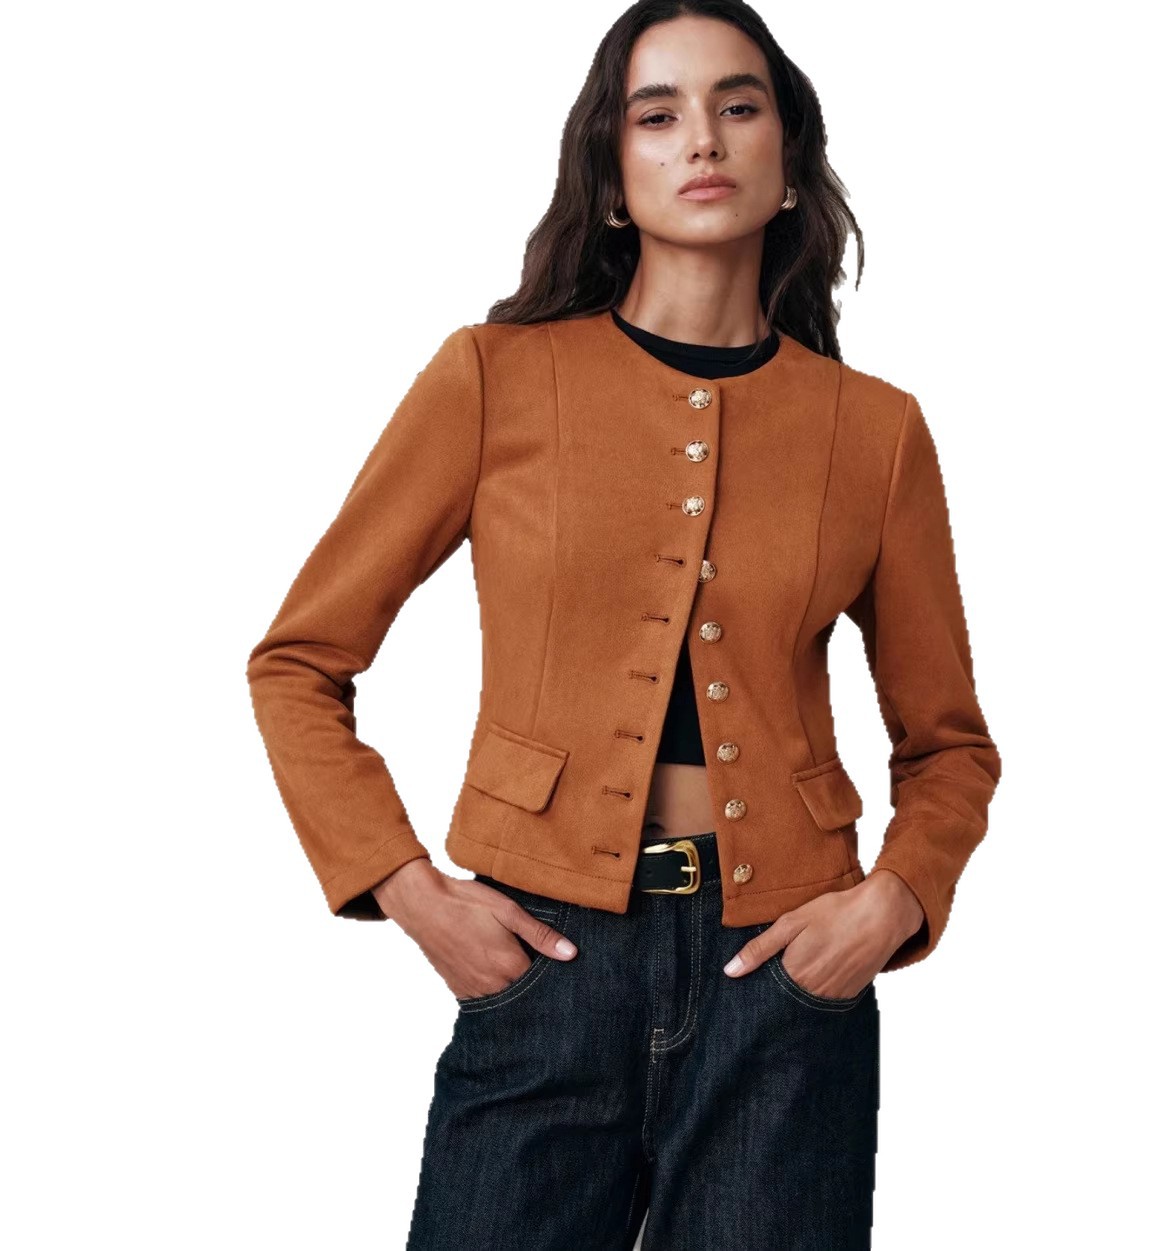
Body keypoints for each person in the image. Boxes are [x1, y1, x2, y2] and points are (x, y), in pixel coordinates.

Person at [245, 2, 1002, 1247]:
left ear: (789, 164)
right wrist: (409, 891)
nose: (702, 138)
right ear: (608, 177)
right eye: (658, 115)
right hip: (543, 964)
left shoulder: (875, 432)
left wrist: (894, 903)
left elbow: (949, 744)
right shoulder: (494, 378)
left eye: (738, 106)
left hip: (784, 981)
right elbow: (299, 662)